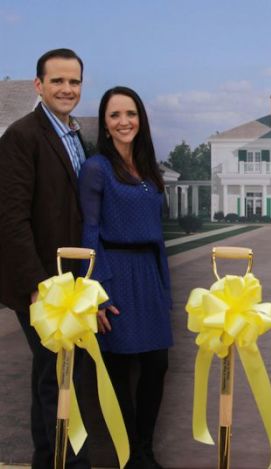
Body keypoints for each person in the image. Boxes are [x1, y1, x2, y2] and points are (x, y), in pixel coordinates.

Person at [0, 48, 90, 468]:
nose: (66, 89)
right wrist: (37, 288)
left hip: (73, 282)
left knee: (59, 374)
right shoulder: (22, 135)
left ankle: (55, 460)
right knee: (54, 375)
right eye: (57, 81)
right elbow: (10, 218)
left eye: (73, 82)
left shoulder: (76, 137)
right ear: (39, 85)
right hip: (40, 284)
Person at [79, 86, 172, 469]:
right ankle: (131, 455)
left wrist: (164, 285)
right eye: (115, 115)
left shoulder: (150, 168)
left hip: (149, 275)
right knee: (119, 370)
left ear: (141, 119)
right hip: (115, 273)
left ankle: (145, 450)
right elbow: (89, 230)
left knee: (156, 366)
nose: (124, 122)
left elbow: (156, 231)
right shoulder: (96, 168)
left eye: (130, 114)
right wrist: (98, 291)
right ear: (104, 123)